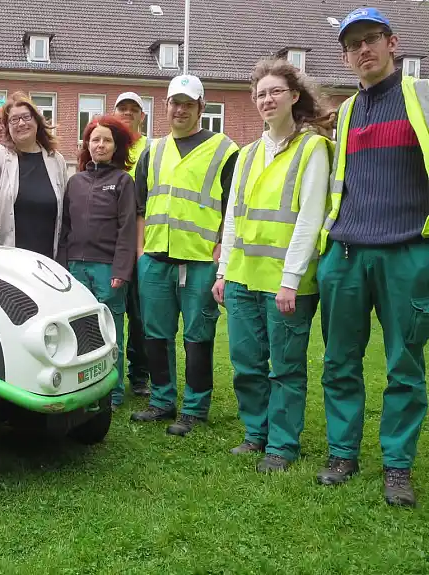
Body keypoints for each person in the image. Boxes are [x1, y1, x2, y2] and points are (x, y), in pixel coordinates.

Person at [315, 7, 429, 507]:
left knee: (405, 363)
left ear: (392, 42)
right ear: (345, 56)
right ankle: (343, 452)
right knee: (340, 360)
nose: (363, 50)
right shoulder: (345, 112)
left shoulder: (422, 98)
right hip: (346, 251)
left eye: (371, 39)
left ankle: (397, 466)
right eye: (353, 44)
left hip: (406, 251)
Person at [212, 59, 332, 473]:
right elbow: (233, 217)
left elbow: (309, 218)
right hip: (244, 277)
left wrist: (291, 280)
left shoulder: (313, 148)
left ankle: (281, 445)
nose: (266, 99)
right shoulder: (245, 154)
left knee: (285, 367)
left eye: (274, 92)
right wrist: (224, 271)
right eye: (260, 93)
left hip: (287, 285)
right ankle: (255, 435)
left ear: (294, 96)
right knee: (246, 363)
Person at [130, 75, 239, 437]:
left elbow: (233, 205)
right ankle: (162, 401)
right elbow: (141, 206)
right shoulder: (154, 150)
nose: (180, 109)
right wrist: (141, 250)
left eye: (188, 104)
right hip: (157, 258)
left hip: (200, 259)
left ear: (200, 108)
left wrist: (223, 245)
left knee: (197, 335)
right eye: (174, 103)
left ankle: (194, 407)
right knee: (156, 335)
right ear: (166, 106)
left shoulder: (224, 149)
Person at [59, 115, 136, 408]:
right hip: (75, 268)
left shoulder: (122, 181)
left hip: (107, 269)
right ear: (86, 144)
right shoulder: (75, 182)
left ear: (115, 146)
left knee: (110, 330)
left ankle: (113, 391)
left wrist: (121, 270)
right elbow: (65, 228)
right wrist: (62, 266)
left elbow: (127, 229)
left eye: (106, 140)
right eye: (95, 139)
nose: (100, 145)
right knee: (81, 330)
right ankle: (85, 384)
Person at [0, 91, 68, 260]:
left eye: (26, 117)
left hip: (46, 262)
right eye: (13, 119)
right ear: (8, 127)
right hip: (3, 261)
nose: (20, 123)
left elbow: (64, 213)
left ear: (37, 121)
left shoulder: (56, 160)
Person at [114, 91, 152, 398]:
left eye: (133, 109)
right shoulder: (108, 144)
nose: (127, 113)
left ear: (142, 115)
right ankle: (106, 372)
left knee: (139, 314)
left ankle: (139, 375)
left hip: (140, 239)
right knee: (110, 309)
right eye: (121, 108)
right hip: (109, 241)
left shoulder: (152, 148)